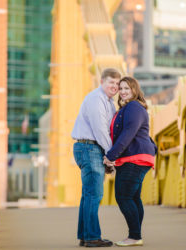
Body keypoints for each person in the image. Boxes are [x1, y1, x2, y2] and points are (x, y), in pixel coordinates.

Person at [103, 76, 157, 247]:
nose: (124, 91)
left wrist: (111, 156)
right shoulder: (128, 108)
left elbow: (129, 133)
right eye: (122, 88)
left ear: (135, 90)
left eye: (128, 88)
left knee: (123, 196)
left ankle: (134, 236)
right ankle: (136, 234)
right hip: (136, 157)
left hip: (134, 158)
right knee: (133, 197)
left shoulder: (133, 107)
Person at [71, 68, 121, 247]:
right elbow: (100, 130)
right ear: (102, 82)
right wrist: (111, 155)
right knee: (94, 194)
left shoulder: (109, 103)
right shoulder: (95, 99)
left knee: (88, 195)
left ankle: (85, 236)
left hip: (92, 148)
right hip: (89, 147)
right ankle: (92, 237)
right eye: (111, 82)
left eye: (117, 83)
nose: (114, 86)